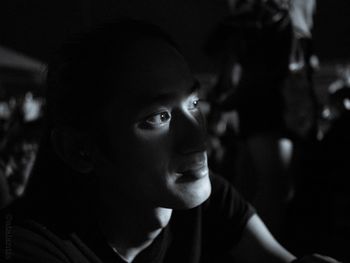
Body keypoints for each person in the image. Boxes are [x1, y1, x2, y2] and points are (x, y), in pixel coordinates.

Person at [0, 20, 340, 263]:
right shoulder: (29, 247)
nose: (197, 138)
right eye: (157, 117)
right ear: (79, 150)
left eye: (194, 103)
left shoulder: (205, 202)